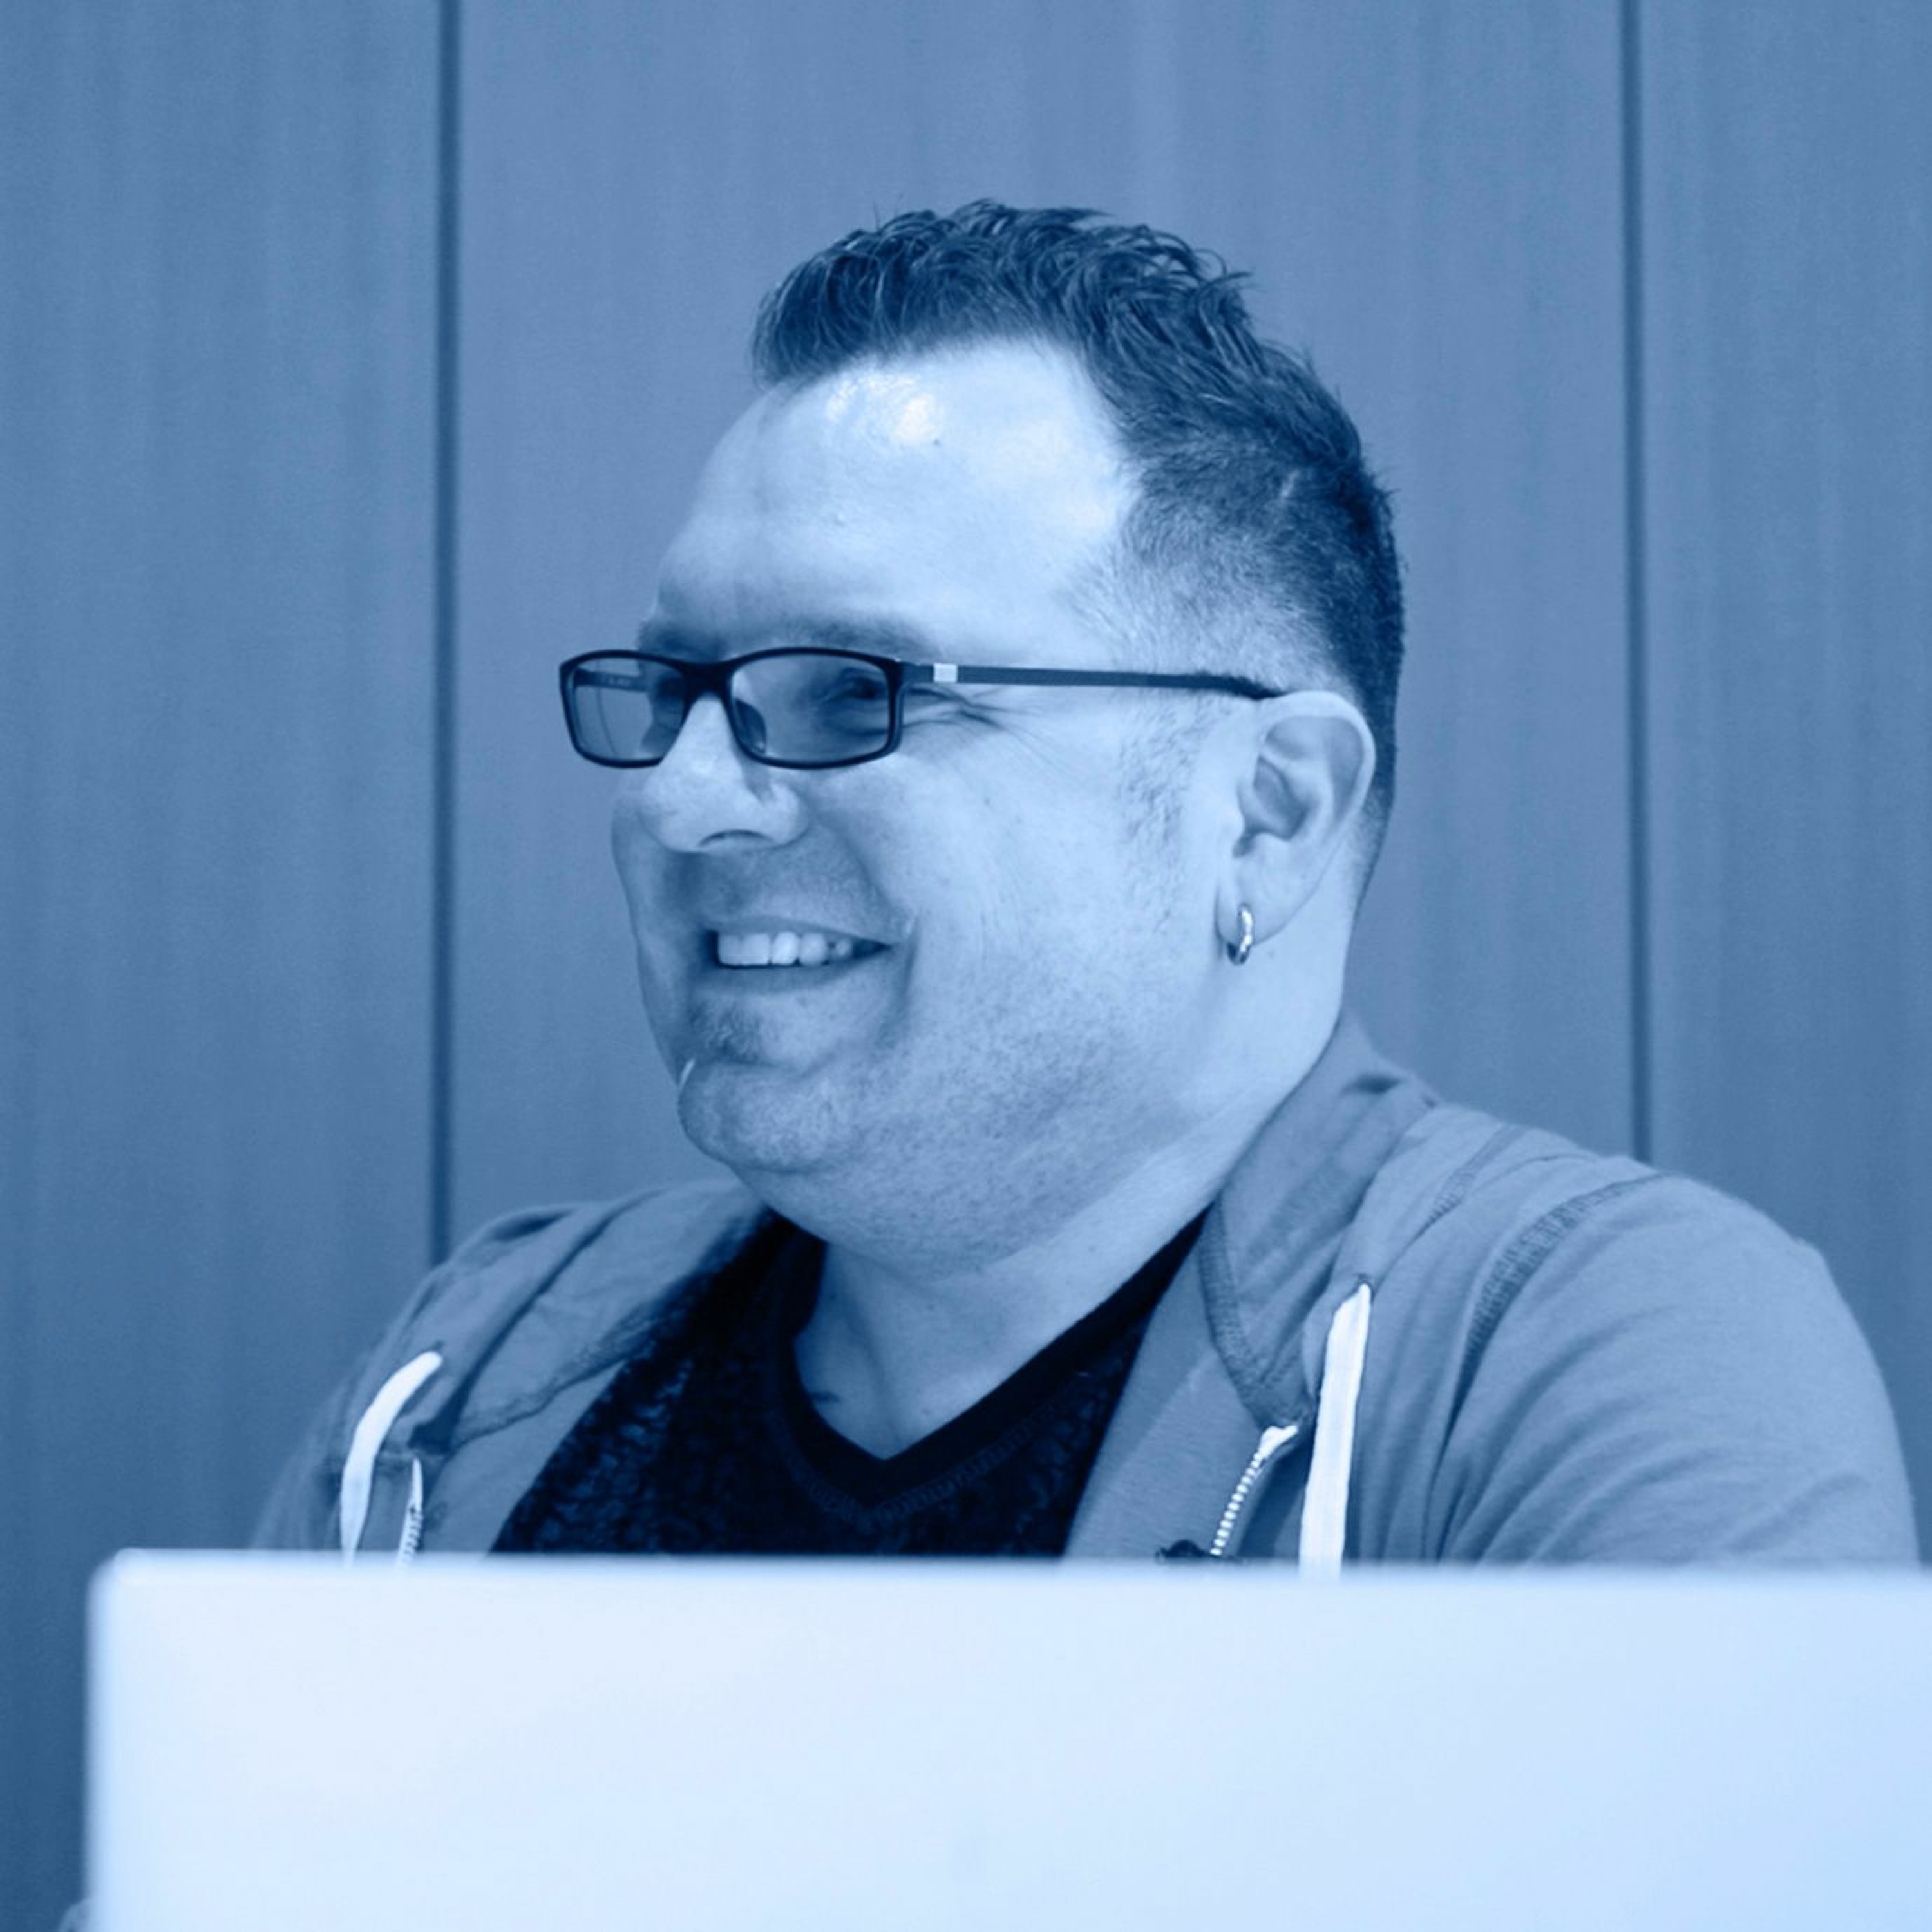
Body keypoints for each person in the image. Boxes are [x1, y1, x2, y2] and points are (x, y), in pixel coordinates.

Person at [256, 202, 1915, 1566]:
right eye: (676, 689)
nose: (682, 800)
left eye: (851, 691)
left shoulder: (1590, 1362)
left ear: (1267, 813)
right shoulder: (466, 1383)